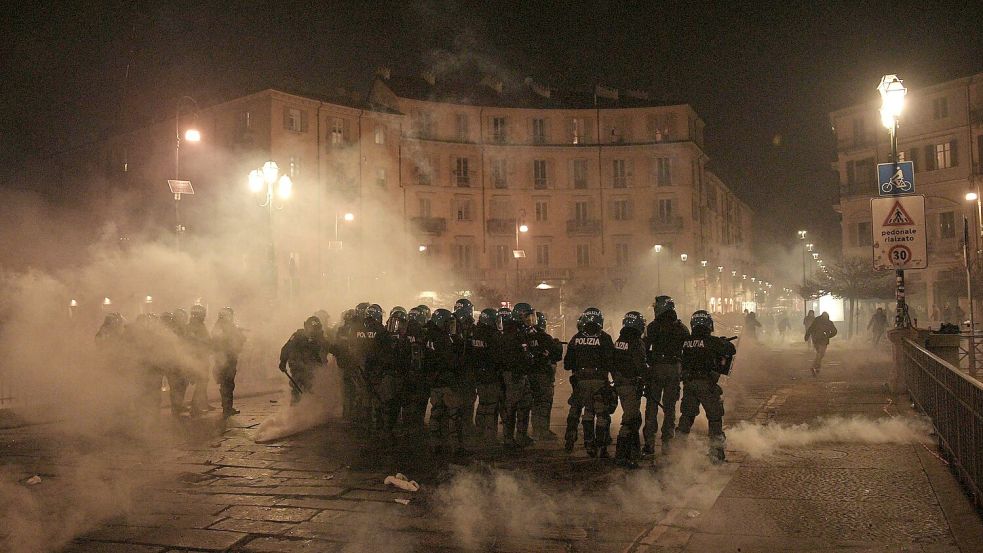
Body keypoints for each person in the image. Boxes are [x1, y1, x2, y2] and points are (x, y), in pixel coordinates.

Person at [677, 310, 736, 463]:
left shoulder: (686, 341)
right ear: (708, 325)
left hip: (689, 384)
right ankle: (716, 454)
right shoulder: (712, 341)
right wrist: (722, 342)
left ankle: (676, 452)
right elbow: (731, 349)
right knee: (715, 418)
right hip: (707, 384)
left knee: (687, 417)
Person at [563, 307, 616, 458]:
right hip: (600, 379)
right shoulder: (604, 338)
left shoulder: (576, 338)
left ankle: (587, 442)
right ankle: (601, 444)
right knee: (601, 413)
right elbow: (611, 361)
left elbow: (567, 364)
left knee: (586, 410)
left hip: (581, 381)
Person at [642, 296, 690, 455]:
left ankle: (649, 442)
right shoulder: (681, 328)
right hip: (674, 369)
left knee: (652, 405)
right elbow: (688, 351)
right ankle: (667, 443)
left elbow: (643, 349)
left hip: (656, 369)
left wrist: (647, 365)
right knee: (670, 407)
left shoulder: (652, 327)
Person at [426, 308, 466, 455]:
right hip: (447, 381)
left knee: (436, 414)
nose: (450, 326)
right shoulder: (443, 339)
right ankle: (456, 447)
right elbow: (450, 361)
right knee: (454, 415)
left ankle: (435, 444)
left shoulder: (429, 336)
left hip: (435, 381)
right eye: (448, 323)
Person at [612, 311, 647, 467]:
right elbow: (640, 365)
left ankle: (633, 452)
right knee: (630, 420)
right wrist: (646, 377)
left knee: (634, 417)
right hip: (630, 384)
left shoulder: (619, 341)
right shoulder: (636, 342)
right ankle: (622, 456)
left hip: (620, 383)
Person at [501, 302, 536, 449]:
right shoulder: (512, 332)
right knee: (512, 407)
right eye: (527, 316)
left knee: (525, 405)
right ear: (520, 315)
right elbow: (510, 356)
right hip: (515, 374)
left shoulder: (520, 330)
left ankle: (521, 435)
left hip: (522, 373)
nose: (530, 319)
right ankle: (508, 438)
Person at [526, 312, 563, 441]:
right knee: (544, 403)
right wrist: (557, 344)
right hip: (543, 375)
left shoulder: (525, 337)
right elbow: (557, 355)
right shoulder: (544, 337)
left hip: (530, 374)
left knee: (535, 403)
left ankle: (536, 429)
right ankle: (542, 430)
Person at [470, 308, 505, 444]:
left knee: (482, 404)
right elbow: (498, 356)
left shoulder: (475, 333)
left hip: (479, 374)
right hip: (491, 375)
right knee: (491, 406)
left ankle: (479, 431)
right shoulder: (493, 335)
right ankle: (490, 436)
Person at [279, 316, 330, 404]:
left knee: (313, 388)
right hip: (298, 366)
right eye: (312, 329)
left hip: (313, 367)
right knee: (297, 387)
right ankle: (295, 409)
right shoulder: (297, 336)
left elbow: (327, 349)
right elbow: (286, 348)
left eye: (315, 329)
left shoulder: (321, 338)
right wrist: (283, 362)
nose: (313, 332)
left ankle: (311, 408)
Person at [211, 307, 246, 417]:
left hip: (223, 359)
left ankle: (227, 407)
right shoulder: (225, 327)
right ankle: (227, 408)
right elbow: (235, 340)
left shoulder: (218, 327)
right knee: (227, 383)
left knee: (226, 383)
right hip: (226, 359)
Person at [400, 307, 431, 432]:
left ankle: (406, 424)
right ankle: (416, 426)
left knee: (406, 399)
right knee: (419, 399)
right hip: (419, 373)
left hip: (404, 371)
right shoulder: (422, 332)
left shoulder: (402, 331)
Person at [186, 304, 213, 416]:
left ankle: (201, 404)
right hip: (197, 359)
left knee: (204, 381)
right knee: (202, 382)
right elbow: (193, 342)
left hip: (203, 358)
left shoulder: (200, 325)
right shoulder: (192, 326)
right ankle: (195, 407)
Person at [804, 312, 837, 376]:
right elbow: (834, 331)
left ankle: (817, 367)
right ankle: (814, 366)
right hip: (823, 340)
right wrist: (829, 336)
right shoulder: (828, 322)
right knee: (821, 354)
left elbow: (811, 328)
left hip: (816, 339)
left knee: (819, 353)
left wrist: (807, 336)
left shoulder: (817, 320)